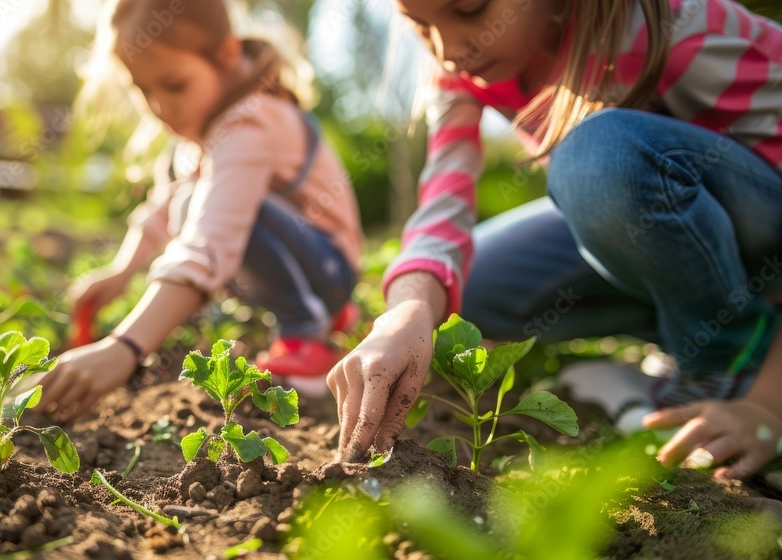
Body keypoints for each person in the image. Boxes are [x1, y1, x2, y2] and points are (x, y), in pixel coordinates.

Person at [327, 0, 782, 480]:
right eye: (423, 27)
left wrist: (768, 407)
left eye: (470, 9)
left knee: (598, 157)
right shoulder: (467, 71)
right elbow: (442, 212)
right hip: (714, 259)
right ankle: (700, 332)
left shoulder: (686, 29)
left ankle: (726, 366)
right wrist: (405, 314)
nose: (450, 50)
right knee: (471, 287)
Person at [40, 0, 364, 421]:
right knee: (187, 200)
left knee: (200, 204)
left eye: (174, 85)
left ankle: (309, 336)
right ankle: (319, 312)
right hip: (307, 266)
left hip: (331, 267)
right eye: (144, 90)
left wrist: (126, 347)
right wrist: (121, 271)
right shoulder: (195, 141)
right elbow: (161, 213)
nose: (159, 107)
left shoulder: (253, 122)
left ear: (226, 55)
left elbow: (210, 240)